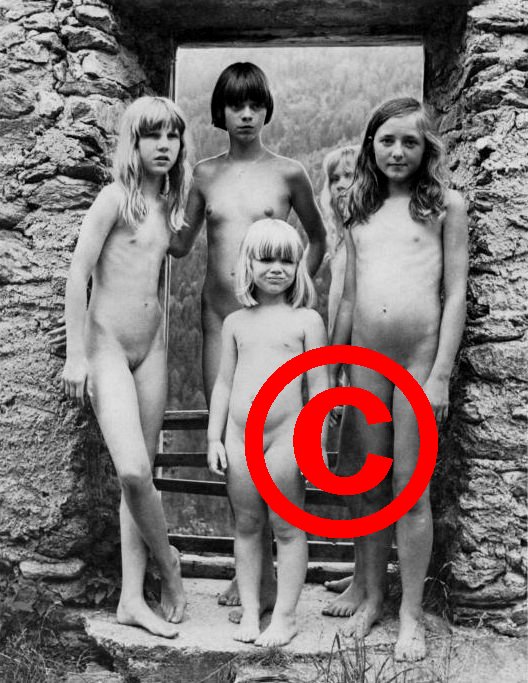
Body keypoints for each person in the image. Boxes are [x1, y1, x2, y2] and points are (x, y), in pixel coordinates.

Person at [171, 62, 326, 613]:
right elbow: (179, 244)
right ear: (221, 112)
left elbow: (317, 237)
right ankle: (250, 576)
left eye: (254, 105)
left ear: (266, 110)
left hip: (277, 329)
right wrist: (145, 199)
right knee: (234, 439)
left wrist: (292, 297)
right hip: (221, 321)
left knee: (280, 439)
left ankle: (277, 571)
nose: (245, 115)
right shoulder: (204, 175)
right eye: (235, 105)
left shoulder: (289, 173)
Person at [328, 97, 468, 662]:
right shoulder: (357, 207)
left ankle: (411, 613)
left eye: (410, 142)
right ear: (371, 145)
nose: (397, 151)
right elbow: (350, 297)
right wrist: (332, 369)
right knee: (369, 486)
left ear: (426, 148)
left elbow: (455, 294)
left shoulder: (445, 206)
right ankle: (372, 599)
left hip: (416, 364)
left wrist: (440, 375)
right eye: (386, 140)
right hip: (365, 362)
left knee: (410, 490)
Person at [61, 96, 192, 637]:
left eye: (172, 136)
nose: (163, 145)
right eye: (152, 136)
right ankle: (170, 566)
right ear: (133, 144)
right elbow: (78, 274)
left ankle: (131, 599)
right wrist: (76, 354)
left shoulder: (169, 205)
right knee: (133, 471)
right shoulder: (115, 198)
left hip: (152, 348)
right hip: (108, 346)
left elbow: (180, 247)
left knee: (142, 481)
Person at [206, 218, 329, 646]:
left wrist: (317, 444)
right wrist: (214, 437)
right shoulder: (235, 323)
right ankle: (250, 611)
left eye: (287, 261)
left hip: (286, 440)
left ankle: (286, 617)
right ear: (248, 265)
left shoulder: (307, 321)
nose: (276, 269)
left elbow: (319, 386)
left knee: (289, 527)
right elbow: (224, 384)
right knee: (246, 525)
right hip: (240, 439)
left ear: (298, 267)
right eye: (266, 259)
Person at [319, 145, 358, 337]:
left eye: (348, 175)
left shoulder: (366, 232)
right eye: (334, 179)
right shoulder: (338, 236)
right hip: (338, 335)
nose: (340, 185)